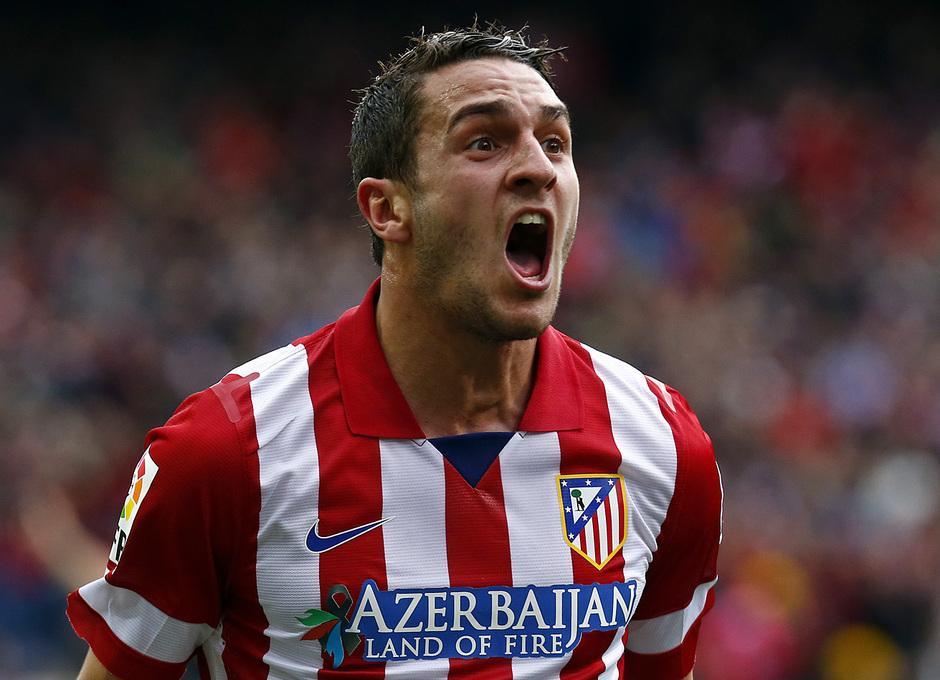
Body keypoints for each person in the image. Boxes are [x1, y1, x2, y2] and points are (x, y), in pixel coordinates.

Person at [68, 23, 722, 680]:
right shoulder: (227, 450)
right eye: (485, 142)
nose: (538, 168)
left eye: (555, 142)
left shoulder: (664, 446)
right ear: (387, 209)